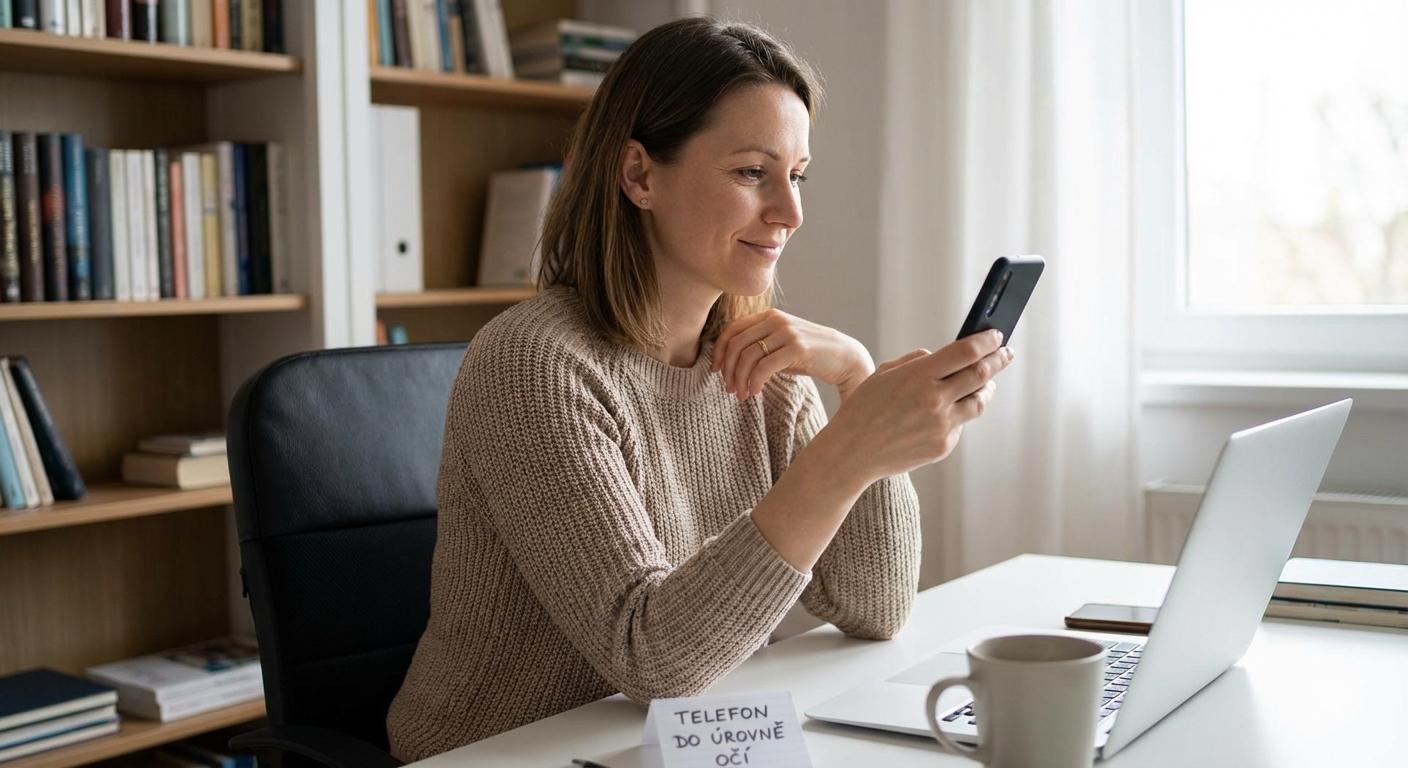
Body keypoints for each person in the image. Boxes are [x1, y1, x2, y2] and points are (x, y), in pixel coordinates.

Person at [385, 15, 1012, 762]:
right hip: (502, 753)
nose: (791, 211)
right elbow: (649, 657)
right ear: (640, 175)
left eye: (796, 174)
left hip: (663, 745)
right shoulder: (535, 365)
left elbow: (873, 607)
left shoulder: (764, 365)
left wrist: (855, 379)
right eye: (753, 172)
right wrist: (845, 455)